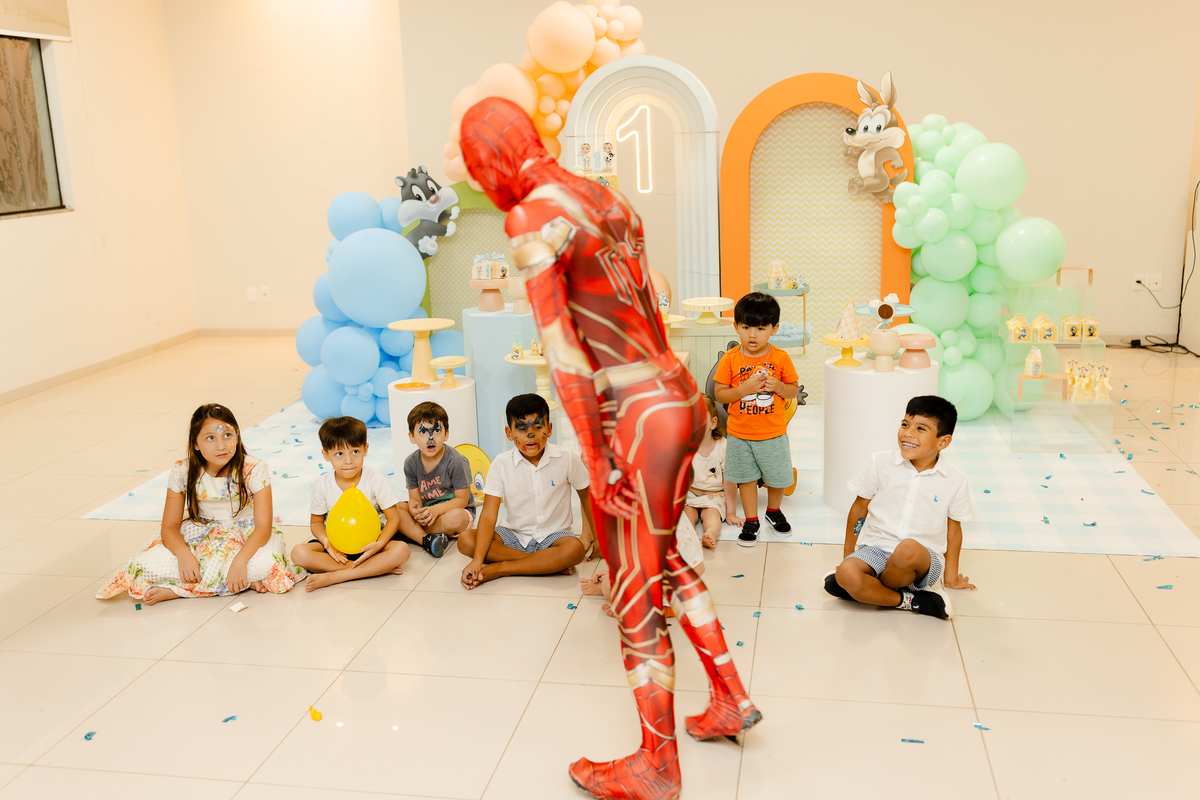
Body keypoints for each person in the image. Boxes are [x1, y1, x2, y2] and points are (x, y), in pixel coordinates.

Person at [461, 97, 759, 800]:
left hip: (636, 416)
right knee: (666, 559)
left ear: (489, 163)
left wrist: (597, 459)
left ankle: (657, 764)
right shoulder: (606, 197)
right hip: (677, 394)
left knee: (634, 592)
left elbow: (564, 352)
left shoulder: (531, 217)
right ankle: (729, 696)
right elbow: (648, 303)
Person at [96, 404, 301, 605]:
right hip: (199, 533)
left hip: (247, 536)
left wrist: (240, 561)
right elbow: (170, 526)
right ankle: (243, 582)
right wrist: (184, 555)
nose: (221, 446)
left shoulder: (254, 468)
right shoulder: (182, 470)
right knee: (147, 564)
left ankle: (178, 590)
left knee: (267, 563)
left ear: (237, 436)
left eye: (227, 435)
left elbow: (263, 527)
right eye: (210, 438)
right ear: (195, 443)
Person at [824, 395, 977, 619]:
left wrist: (951, 578)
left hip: (922, 558)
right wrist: (847, 557)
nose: (908, 433)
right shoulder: (879, 462)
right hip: (875, 549)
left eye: (920, 428)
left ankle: (867, 590)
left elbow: (954, 532)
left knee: (907, 549)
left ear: (942, 442)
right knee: (846, 573)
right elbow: (859, 509)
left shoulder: (956, 480)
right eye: (905, 424)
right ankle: (911, 601)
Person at [458, 394, 591, 586]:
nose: (531, 435)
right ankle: (543, 564)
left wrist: (599, 540)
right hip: (513, 535)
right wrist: (477, 560)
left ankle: (502, 568)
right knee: (466, 540)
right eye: (521, 429)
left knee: (574, 550)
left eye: (538, 427)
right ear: (509, 433)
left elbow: (587, 498)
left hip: (554, 537)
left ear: (549, 429)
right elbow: (488, 514)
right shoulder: (501, 463)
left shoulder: (567, 458)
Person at [712, 291, 802, 547]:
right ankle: (751, 520)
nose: (752, 334)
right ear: (736, 327)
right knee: (746, 478)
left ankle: (773, 512)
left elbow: (793, 390)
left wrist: (780, 387)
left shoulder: (780, 357)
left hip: (773, 433)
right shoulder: (730, 359)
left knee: (778, 477)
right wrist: (744, 389)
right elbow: (720, 394)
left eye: (761, 328)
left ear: (774, 329)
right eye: (746, 327)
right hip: (740, 434)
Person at [290, 416, 411, 591]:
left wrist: (379, 544)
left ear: (365, 449)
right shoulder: (322, 484)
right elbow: (316, 522)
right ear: (326, 455)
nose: (348, 461)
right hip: (336, 547)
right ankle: (372, 569)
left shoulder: (375, 477)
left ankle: (337, 576)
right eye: (339, 454)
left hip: (372, 543)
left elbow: (393, 518)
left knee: (402, 550)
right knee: (298, 553)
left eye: (355, 451)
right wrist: (327, 543)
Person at [399, 402, 475, 557]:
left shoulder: (456, 461)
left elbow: (462, 500)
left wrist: (435, 510)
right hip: (427, 511)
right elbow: (415, 498)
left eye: (437, 431)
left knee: (454, 519)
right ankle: (428, 538)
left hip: (453, 511)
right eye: (423, 432)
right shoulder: (410, 463)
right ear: (412, 437)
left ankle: (411, 532)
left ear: (446, 434)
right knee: (396, 508)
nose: (430, 438)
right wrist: (414, 509)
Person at [685, 394, 743, 549]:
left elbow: (730, 481)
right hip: (690, 494)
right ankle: (687, 535)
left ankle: (710, 534)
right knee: (686, 513)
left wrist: (731, 513)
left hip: (714, 495)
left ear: (713, 423)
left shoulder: (723, 447)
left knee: (712, 516)